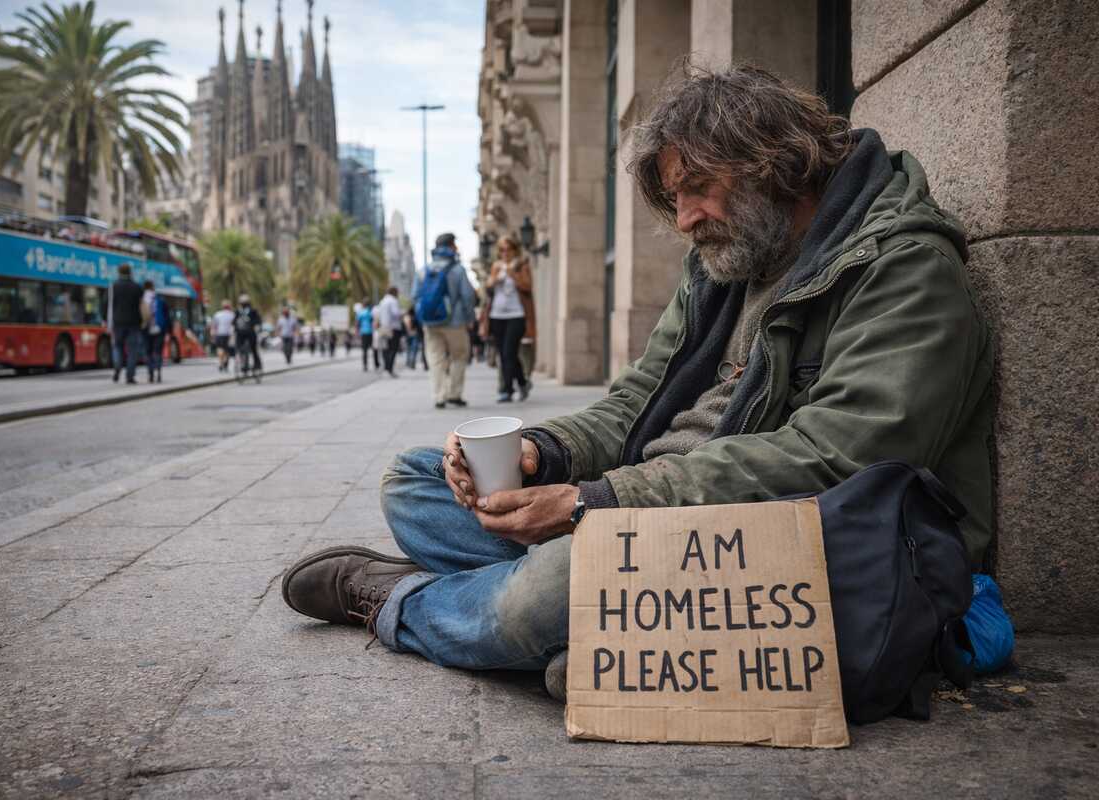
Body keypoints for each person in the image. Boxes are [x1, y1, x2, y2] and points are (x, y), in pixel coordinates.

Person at [280, 65, 995, 701]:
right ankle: (558, 625)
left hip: (791, 545)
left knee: (550, 591)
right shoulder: (725, 265)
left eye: (698, 190)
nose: (684, 220)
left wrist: (600, 503)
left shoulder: (903, 268)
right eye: (676, 198)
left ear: (773, 162)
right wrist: (543, 450)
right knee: (417, 482)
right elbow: (636, 401)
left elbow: (836, 458)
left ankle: (398, 600)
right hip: (657, 508)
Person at [411, 233, 474, 408]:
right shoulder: (457, 269)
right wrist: (469, 318)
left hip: (430, 323)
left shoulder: (423, 270)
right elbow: (467, 296)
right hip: (455, 322)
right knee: (459, 356)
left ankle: (439, 396)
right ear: (452, 246)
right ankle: (454, 394)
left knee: (435, 358)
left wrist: (424, 316)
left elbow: (415, 297)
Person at [485, 236, 535, 402]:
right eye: (502, 250)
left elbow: (528, 286)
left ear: (515, 250)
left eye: (508, 249)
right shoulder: (495, 266)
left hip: (516, 315)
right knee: (506, 354)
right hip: (497, 315)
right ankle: (522, 382)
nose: (505, 253)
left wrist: (513, 274)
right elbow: (488, 287)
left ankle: (507, 390)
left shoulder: (521, 265)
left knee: (508, 352)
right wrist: (495, 279)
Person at [107, 263, 143, 384]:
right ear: (130, 272)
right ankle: (130, 376)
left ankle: (117, 368)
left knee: (117, 347)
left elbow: (106, 304)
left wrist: (105, 319)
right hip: (134, 323)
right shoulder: (136, 287)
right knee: (132, 350)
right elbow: (141, 305)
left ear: (119, 272)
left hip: (118, 323)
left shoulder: (113, 286)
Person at [141, 279, 170, 383]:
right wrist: (168, 331)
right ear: (153, 287)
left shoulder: (141, 299)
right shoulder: (160, 299)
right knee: (157, 351)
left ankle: (150, 373)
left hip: (145, 329)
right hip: (159, 329)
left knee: (148, 352)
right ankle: (158, 371)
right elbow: (167, 316)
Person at [376, 287, 404, 377]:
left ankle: (386, 367)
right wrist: (403, 313)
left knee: (385, 348)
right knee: (393, 348)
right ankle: (390, 368)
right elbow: (396, 313)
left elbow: (378, 314)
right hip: (393, 327)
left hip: (383, 326)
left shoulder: (382, 301)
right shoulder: (393, 301)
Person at [233, 294, 262, 375]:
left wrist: (256, 326)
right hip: (240, 333)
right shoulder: (238, 312)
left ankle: (257, 364)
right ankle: (243, 364)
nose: (243, 304)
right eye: (242, 302)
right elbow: (234, 322)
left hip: (250, 333)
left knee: (253, 349)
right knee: (240, 349)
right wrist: (234, 328)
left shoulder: (253, 311)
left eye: (245, 302)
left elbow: (258, 320)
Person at [212, 299, 236, 372]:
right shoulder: (232, 315)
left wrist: (213, 334)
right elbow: (234, 326)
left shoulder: (217, 314)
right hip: (228, 335)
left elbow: (214, 326)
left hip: (219, 334)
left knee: (220, 349)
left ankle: (221, 363)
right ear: (229, 306)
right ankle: (225, 363)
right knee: (227, 350)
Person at [356, 300, 379, 371]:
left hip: (363, 332)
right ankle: (376, 364)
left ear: (363, 305)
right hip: (371, 332)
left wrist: (357, 331)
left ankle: (365, 365)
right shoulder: (371, 313)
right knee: (374, 348)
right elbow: (374, 322)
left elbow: (358, 323)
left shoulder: (360, 313)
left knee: (364, 350)